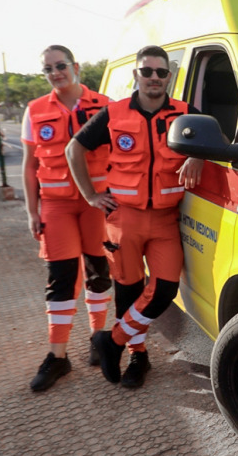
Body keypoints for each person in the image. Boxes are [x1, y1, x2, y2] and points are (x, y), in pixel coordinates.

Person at [65, 45, 203, 388]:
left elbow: (214, 140)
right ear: (136, 75)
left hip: (165, 219)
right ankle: (138, 357)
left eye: (160, 72)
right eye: (147, 71)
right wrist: (91, 195)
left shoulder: (186, 115)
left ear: (169, 77)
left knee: (165, 289)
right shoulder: (115, 113)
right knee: (128, 290)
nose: (154, 78)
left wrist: (198, 156)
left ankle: (111, 341)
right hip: (123, 218)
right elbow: (74, 149)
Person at [21, 45, 113, 392]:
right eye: (48, 68)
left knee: (98, 272)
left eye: (61, 65)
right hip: (56, 206)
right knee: (60, 277)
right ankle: (57, 356)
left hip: (96, 204)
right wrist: (32, 211)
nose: (56, 72)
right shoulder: (35, 110)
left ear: (75, 67)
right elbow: (29, 165)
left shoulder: (104, 104)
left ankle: (98, 340)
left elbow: (123, 154)